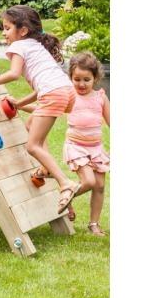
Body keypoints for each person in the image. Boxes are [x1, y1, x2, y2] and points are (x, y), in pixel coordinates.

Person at [0, 5, 78, 214]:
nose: (3, 33)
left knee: (32, 146)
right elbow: (40, 88)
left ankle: (65, 183)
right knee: (31, 123)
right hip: (66, 91)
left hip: (54, 93)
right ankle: (45, 168)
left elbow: (14, 74)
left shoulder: (19, 47)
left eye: (7, 28)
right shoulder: (36, 45)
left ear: (22, 31)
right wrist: (20, 104)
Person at [62, 52, 110, 235]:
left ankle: (93, 224)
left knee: (99, 186)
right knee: (88, 181)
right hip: (76, 146)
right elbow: (44, 108)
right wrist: (18, 104)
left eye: (86, 79)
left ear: (95, 78)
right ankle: (65, 196)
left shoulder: (100, 97)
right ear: (71, 78)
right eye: (77, 79)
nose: (81, 84)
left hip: (96, 149)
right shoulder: (69, 95)